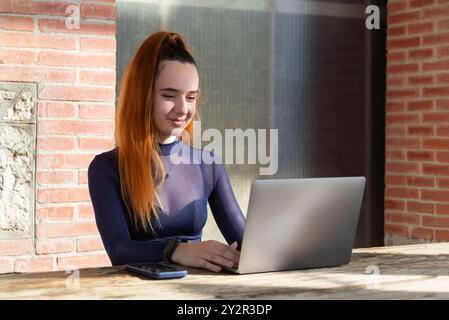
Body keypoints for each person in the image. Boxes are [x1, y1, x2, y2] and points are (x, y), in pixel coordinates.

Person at [87, 31, 245, 273]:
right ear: (142, 97)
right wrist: (176, 250)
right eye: (169, 95)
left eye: (191, 97)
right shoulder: (106, 168)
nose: (183, 109)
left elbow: (246, 242)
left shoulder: (207, 164)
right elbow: (118, 249)